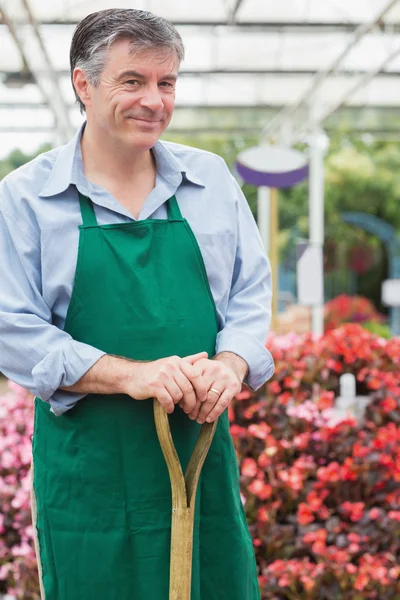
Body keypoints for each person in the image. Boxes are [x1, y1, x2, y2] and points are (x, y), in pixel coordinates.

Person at [0, 8, 274, 600]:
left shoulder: (212, 180)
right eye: (133, 81)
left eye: (166, 82)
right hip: (89, 470)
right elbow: (11, 329)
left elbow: (251, 294)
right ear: (84, 84)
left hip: (198, 454)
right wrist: (133, 375)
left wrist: (230, 366)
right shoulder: (26, 197)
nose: (154, 100)